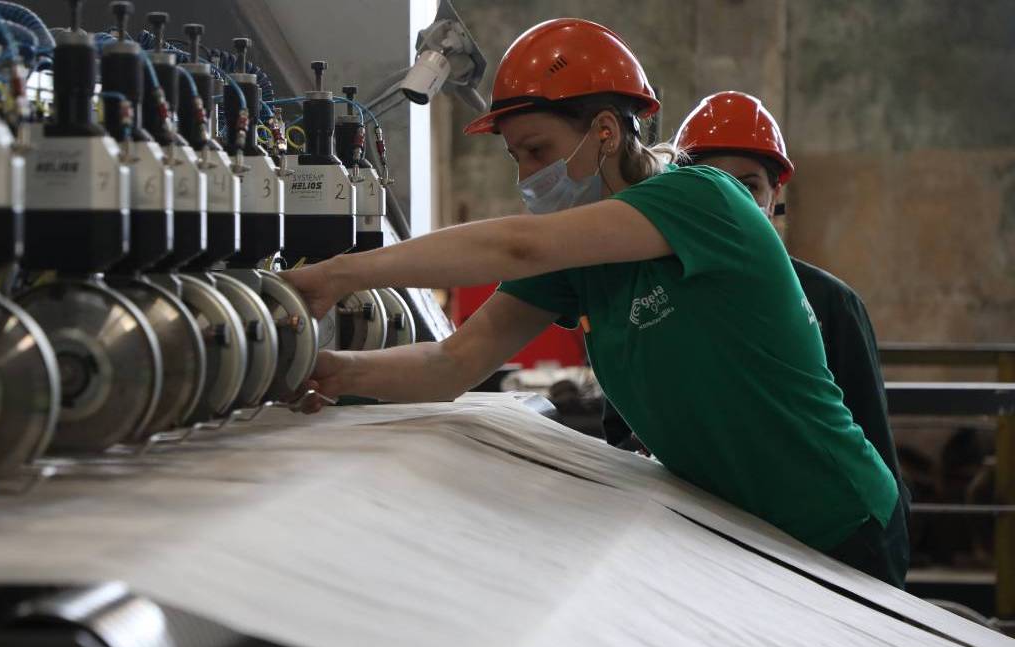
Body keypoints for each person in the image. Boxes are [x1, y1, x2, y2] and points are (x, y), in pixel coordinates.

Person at [280, 19, 907, 587]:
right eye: (516, 158)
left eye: (537, 151)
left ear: (605, 131)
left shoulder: (705, 198)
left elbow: (517, 246)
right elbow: (452, 363)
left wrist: (340, 274)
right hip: (741, 530)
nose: (527, 177)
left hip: (835, 523)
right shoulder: (579, 262)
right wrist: (330, 371)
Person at [601, 91, 911, 573]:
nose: (729, 202)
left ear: (774, 197)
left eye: (748, 186)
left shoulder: (830, 303)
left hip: (819, 542)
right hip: (702, 544)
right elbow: (622, 437)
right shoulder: (650, 300)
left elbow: (873, 447)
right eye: (710, 184)